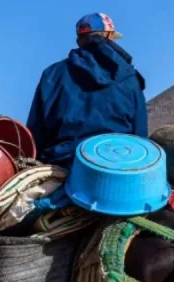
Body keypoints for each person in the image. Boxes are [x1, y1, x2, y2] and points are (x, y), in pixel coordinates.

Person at [26, 13, 148, 169]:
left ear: (79, 41)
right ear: (109, 37)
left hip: (63, 164)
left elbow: (36, 131)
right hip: (118, 168)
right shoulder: (129, 77)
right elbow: (140, 136)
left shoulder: (52, 74)